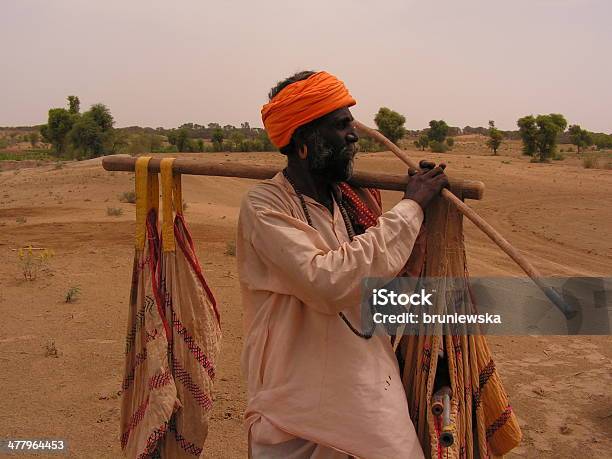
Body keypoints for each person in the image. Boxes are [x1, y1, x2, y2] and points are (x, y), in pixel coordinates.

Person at [236, 70, 448, 459]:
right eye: (341, 125)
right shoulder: (265, 206)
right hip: (296, 412)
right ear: (303, 142)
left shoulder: (354, 201)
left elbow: (382, 294)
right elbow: (329, 282)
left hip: (369, 395)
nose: (354, 134)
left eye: (351, 122)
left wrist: (418, 231)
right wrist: (411, 207)